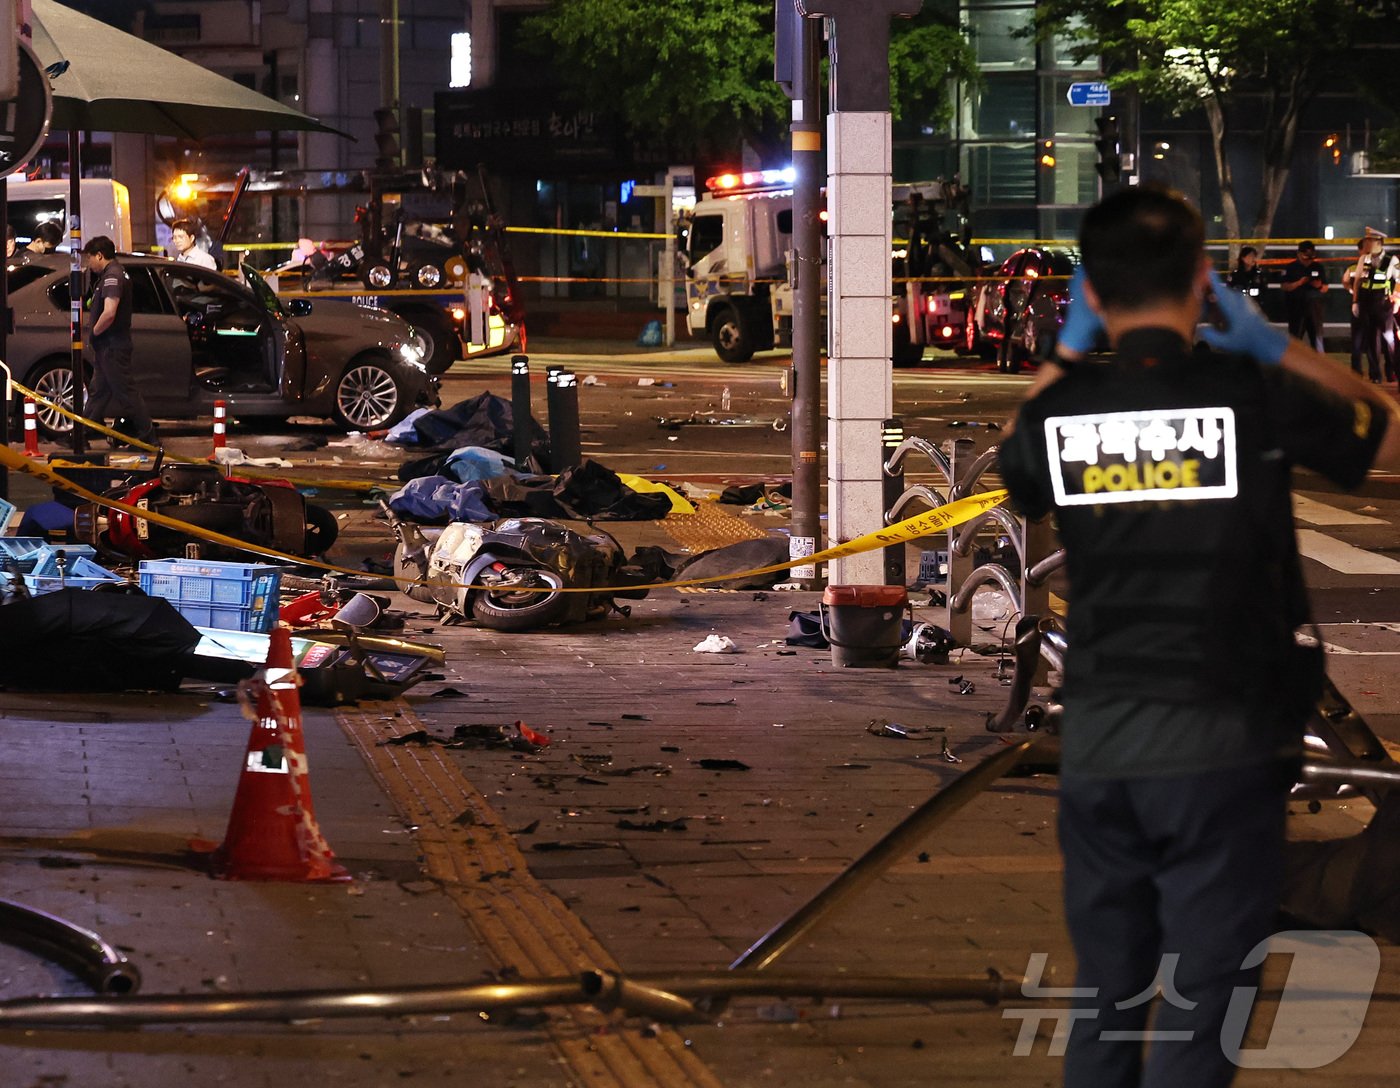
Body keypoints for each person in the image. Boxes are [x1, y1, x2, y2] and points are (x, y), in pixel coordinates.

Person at [997, 186, 1398, 1088]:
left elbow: (1017, 466)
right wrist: (1278, 346)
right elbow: (1387, 434)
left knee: (1106, 998)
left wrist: (1065, 351)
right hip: (1226, 746)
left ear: (1090, 294)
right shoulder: (1248, 392)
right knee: (1203, 1006)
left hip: (1102, 743)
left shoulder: (1068, 409)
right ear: (1202, 284)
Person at [82, 235, 155, 446]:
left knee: (126, 393)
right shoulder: (113, 273)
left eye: (90, 258)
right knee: (98, 392)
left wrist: (94, 332)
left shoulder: (112, 276)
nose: (89, 263)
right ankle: (81, 435)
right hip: (108, 346)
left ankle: (148, 437)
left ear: (99, 255)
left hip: (112, 345)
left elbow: (109, 312)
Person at [1347, 230, 1397, 383]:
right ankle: (1375, 375)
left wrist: (1397, 300)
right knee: (1372, 340)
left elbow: (1399, 281)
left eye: (1370, 241)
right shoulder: (1364, 258)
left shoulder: (1392, 260)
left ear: (1379, 243)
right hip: (1366, 302)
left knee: (1389, 340)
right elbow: (1357, 281)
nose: (1366, 244)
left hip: (1383, 303)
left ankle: (1392, 371)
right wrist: (1355, 302)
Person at [1280, 239, 1329, 350]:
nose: (1308, 261)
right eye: (1305, 257)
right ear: (1299, 254)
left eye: (1311, 257)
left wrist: (1318, 286)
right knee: (1295, 339)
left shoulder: (1318, 267)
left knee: (1316, 338)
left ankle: (1317, 360)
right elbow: (1284, 286)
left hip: (1314, 307)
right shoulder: (1291, 267)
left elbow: (1325, 287)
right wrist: (1299, 283)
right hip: (1296, 307)